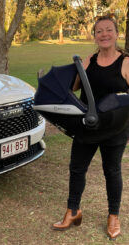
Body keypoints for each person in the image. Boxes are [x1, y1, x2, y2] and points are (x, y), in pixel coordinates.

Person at [52, 15, 129, 240]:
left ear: (116, 34)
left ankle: (113, 216)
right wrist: (72, 71)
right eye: (99, 31)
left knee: (112, 171)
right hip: (88, 126)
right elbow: (74, 87)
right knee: (77, 168)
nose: (104, 34)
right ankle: (72, 212)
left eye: (108, 30)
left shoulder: (125, 63)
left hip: (115, 128)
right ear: (94, 36)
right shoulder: (88, 61)